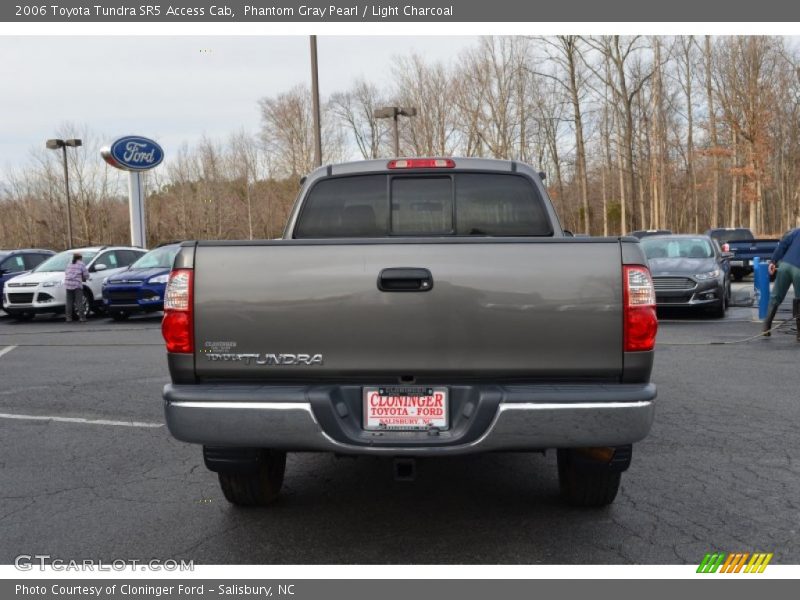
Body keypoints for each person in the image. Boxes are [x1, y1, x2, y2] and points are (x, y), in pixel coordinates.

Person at [763, 227, 800, 339]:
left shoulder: (797, 232)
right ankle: (799, 334)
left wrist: (773, 261)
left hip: (784, 266)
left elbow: (783, 244)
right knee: (799, 300)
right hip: (798, 270)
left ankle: (766, 327)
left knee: (775, 296)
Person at [64, 252, 89, 323]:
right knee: (79, 302)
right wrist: (84, 278)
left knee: (69, 302)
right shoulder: (81, 264)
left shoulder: (69, 264)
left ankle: (68, 318)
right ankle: (82, 318)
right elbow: (86, 275)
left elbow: (66, 273)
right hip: (77, 285)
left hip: (68, 284)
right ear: (80, 258)